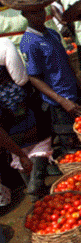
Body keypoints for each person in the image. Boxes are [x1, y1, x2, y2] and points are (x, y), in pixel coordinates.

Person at [6, 0, 81, 155]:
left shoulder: (52, 34)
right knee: (74, 149)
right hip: (58, 103)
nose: (39, 15)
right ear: (24, 15)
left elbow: (67, 64)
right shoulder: (29, 43)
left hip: (73, 94)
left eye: (40, 10)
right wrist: (62, 101)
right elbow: (34, 77)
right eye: (33, 12)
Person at [0, 37, 54, 201]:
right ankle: (36, 183)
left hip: (5, 122)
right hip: (16, 101)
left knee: (15, 148)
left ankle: (34, 191)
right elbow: (20, 78)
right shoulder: (4, 44)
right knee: (38, 141)